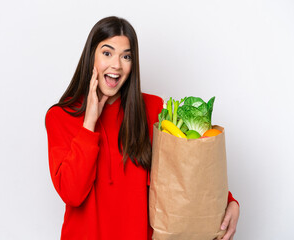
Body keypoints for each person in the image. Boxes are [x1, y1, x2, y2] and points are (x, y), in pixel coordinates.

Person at [45, 16, 239, 240]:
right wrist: (89, 123)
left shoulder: (153, 109)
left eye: (126, 56)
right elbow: (72, 194)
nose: (116, 65)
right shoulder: (60, 117)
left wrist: (229, 201)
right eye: (107, 53)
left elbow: (185, 169)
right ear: (91, 56)